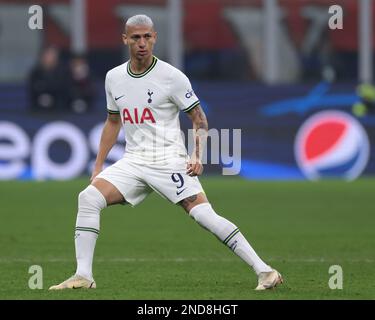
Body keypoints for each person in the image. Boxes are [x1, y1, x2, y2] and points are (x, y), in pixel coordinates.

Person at [49, 15, 283, 291]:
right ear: (125, 39)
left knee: (203, 215)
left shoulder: (171, 77)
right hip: (134, 161)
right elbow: (113, 122)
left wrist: (197, 155)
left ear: (155, 37)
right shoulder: (114, 78)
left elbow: (199, 119)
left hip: (167, 160)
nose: (142, 43)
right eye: (135, 37)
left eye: (147, 36)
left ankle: (265, 271)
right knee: (88, 198)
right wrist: (98, 166)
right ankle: (83, 276)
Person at [28, 46, 69, 112]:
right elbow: (34, 90)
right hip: (38, 110)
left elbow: (63, 90)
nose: (50, 57)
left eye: (53, 55)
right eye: (48, 54)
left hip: (59, 110)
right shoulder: (36, 73)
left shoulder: (62, 72)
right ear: (42, 56)